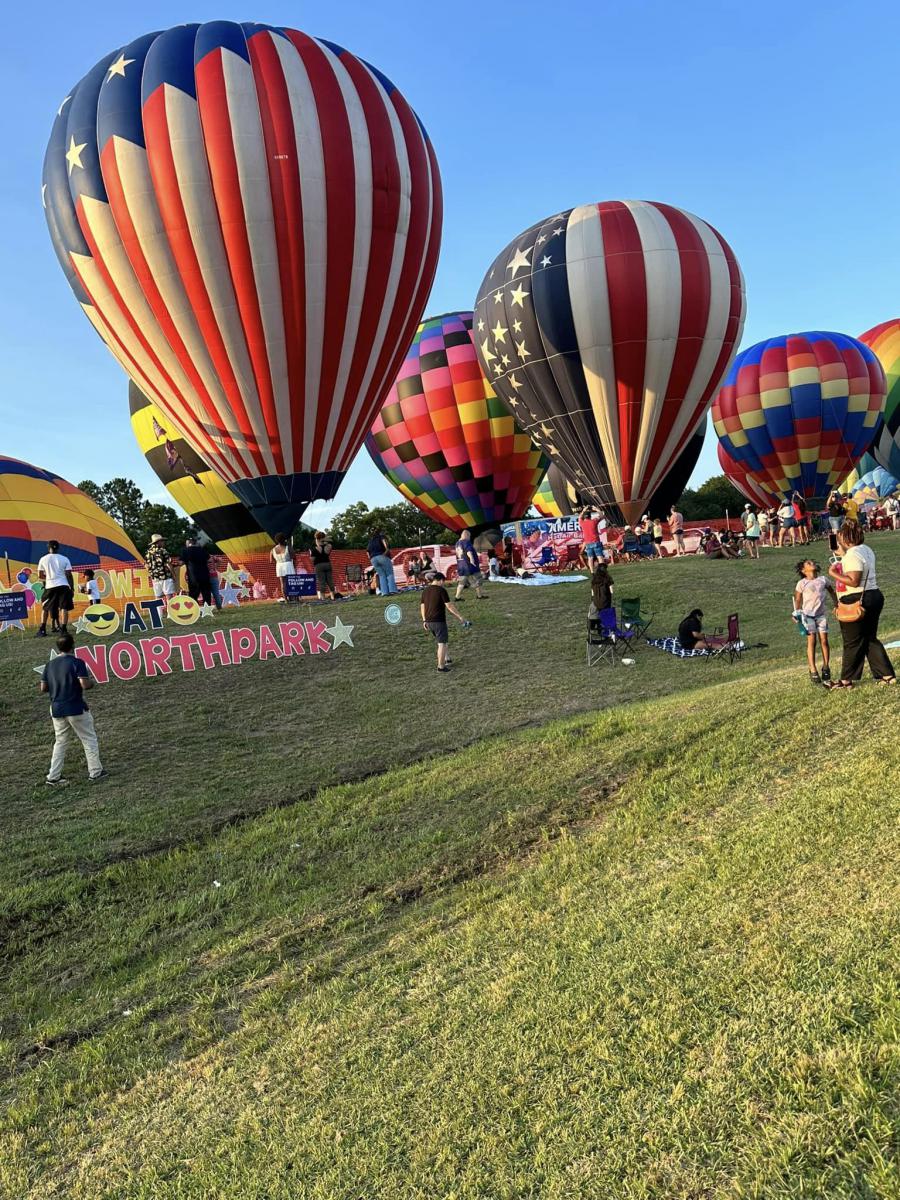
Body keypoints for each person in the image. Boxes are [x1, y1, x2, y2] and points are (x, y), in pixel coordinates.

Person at [825, 520, 896, 688]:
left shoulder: (853, 554)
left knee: (852, 641)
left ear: (845, 537)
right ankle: (887, 675)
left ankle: (846, 680)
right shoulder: (866, 550)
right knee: (869, 638)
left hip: (855, 599)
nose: (839, 539)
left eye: (841, 536)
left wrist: (833, 573)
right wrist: (842, 553)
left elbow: (854, 581)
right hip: (874, 595)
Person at [39, 632, 107, 785]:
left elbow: (43, 688)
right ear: (73, 645)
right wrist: (92, 683)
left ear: (58, 647)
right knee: (88, 738)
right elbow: (84, 684)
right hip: (75, 707)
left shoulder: (50, 664)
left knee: (60, 742)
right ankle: (95, 772)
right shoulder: (77, 662)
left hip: (56, 708)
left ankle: (53, 776)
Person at [792, 560, 836, 685]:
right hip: (807, 616)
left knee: (824, 641)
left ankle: (826, 667)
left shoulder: (823, 580)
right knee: (812, 641)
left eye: (812, 562)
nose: (812, 563)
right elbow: (798, 599)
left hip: (821, 615)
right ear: (803, 570)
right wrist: (796, 613)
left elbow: (832, 592)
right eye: (808, 563)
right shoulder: (802, 583)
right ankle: (813, 669)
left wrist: (837, 604)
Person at [420, 571, 470, 672]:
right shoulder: (441, 590)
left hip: (428, 622)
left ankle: (447, 659)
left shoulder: (425, 591)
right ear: (440, 580)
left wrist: (424, 620)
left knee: (442, 640)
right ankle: (441, 667)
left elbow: (422, 606)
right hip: (438, 621)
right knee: (441, 643)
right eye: (443, 581)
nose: (443, 584)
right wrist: (460, 617)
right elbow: (449, 606)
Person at [36, 540, 75, 637]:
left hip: (50, 586)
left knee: (45, 608)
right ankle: (64, 629)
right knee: (64, 608)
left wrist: (48, 579)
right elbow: (68, 574)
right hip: (63, 585)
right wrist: (72, 587)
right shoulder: (65, 559)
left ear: (48, 548)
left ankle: (42, 629)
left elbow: (40, 576)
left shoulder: (43, 559)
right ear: (58, 548)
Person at [181, 536, 218, 609]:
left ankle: (194, 609)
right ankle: (207, 609)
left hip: (193, 577)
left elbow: (181, 562)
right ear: (195, 543)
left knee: (193, 594)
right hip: (205, 575)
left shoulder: (185, 551)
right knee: (206, 593)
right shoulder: (202, 550)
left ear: (189, 543)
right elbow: (209, 559)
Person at [454, 529, 486, 600]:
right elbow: (469, 552)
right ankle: (479, 596)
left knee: (462, 582)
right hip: (470, 565)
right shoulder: (466, 542)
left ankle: (457, 597)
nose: (469, 538)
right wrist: (472, 559)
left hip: (461, 565)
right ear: (467, 535)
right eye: (469, 536)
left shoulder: (457, 544)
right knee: (479, 579)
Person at [146, 533, 176, 608]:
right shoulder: (163, 551)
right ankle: (170, 613)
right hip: (165, 576)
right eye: (162, 541)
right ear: (158, 542)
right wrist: (174, 575)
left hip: (155, 578)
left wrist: (152, 574)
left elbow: (147, 565)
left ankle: (159, 614)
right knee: (169, 595)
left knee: (158, 597)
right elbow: (168, 564)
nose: (163, 543)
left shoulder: (148, 553)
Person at [367, 529, 397, 596]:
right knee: (389, 573)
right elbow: (387, 547)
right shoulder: (382, 537)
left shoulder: (371, 541)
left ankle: (384, 592)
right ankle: (392, 590)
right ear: (380, 533)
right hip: (381, 556)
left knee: (381, 575)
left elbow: (367, 552)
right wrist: (385, 554)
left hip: (373, 559)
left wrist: (372, 558)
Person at [311, 531, 337, 601]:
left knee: (321, 582)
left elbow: (312, 559)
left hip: (318, 566)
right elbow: (330, 541)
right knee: (330, 581)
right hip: (327, 564)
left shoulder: (315, 549)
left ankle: (323, 598)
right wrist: (325, 540)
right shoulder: (329, 546)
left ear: (317, 539)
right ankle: (333, 597)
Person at [271, 534, 294, 601]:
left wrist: (277, 561)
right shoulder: (288, 547)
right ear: (284, 539)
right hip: (288, 565)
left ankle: (286, 599)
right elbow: (293, 556)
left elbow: (271, 560)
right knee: (290, 582)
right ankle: (292, 597)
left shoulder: (273, 550)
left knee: (282, 583)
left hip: (279, 565)